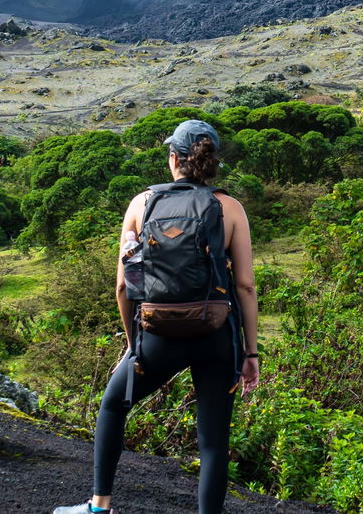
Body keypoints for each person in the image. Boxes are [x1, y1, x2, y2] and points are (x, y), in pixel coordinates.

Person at [55, 120, 260, 514]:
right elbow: (246, 287)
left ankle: (99, 507)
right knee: (213, 440)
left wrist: (134, 348)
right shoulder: (229, 207)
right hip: (216, 334)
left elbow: (123, 285)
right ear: (210, 161)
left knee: (114, 406)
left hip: (157, 335)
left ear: (174, 159)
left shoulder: (141, 204)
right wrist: (250, 355)